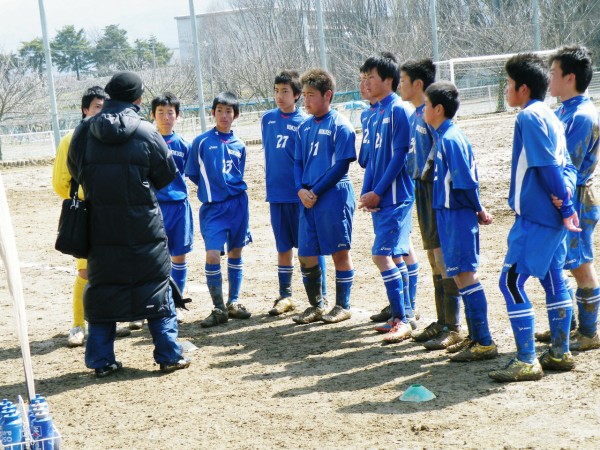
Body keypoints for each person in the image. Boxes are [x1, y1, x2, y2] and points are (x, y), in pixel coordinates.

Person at [67, 71, 190, 376]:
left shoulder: (84, 131)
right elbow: (165, 175)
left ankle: (101, 360)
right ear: (137, 98)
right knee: (156, 287)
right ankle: (169, 354)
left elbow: (75, 169)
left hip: (100, 225)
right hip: (143, 226)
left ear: (109, 95)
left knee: (103, 288)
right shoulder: (148, 132)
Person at [489, 54, 580, 382]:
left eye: (509, 84)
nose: (507, 89)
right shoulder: (552, 117)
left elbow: (546, 167)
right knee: (554, 279)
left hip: (536, 219)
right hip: (552, 219)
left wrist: (565, 206)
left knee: (510, 281)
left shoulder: (528, 117)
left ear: (523, 88)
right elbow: (568, 167)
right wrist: (565, 201)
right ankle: (560, 352)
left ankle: (526, 359)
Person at [423, 81, 498, 362]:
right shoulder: (443, 136)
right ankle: (475, 336)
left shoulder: (452, 139)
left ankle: (485, 342)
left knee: (465, 275)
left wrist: (478, 209)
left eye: (427, 106)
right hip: (447, 215)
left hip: (457, 215)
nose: (423, 111)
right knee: (457, 274)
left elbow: (466, 183)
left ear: (438, 109)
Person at [52, 86, 133, 347]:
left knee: (112, 269)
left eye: (104, 107)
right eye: (96, 107)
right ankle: (78, 324)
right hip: (87, 214)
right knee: (86, 272)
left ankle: (111, 319)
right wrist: (85, 198)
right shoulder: (70, 139)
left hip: (113, 212)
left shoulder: (112, 138)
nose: (101, 112)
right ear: (85, 109)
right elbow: (60, 183)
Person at [535, 45, 600, 351]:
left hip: (576, 198)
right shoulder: (564, 110)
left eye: (553, 73)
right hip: (563, 197)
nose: (549, 79)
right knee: (560, 261)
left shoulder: (583, 116)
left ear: (569, 77)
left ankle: (589, 333)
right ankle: (566, 325)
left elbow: (567, 164)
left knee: (581, 264)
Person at [399, 59, 464, 351]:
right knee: (433, 257)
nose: (399, 85)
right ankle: (441, 321)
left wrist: (427, 173)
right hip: (421, 189)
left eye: (403, 80)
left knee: (443, 257)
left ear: (418, 85)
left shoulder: (432, 115)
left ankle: (454, 327)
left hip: (434, 189)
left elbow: (441, 149)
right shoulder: (416, 115)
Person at [292, 68, 356, 324]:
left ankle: (343, 305)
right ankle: (317, 305)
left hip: (333, 194)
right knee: (306, 253)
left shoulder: (341, 125)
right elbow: (297, 162)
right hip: (307, 197)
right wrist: (300, 190)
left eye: (310, 95)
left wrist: (315, 191)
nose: (305, 101)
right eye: (304, 95)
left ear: (327, 95)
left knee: (339, 253)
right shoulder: (303, 127)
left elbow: (341, 165)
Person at [358, 53, 415, 343]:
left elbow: (400, 155)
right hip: (381, 198)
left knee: (382, 255)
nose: (365, 82)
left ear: (388, 80)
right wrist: (367, 193)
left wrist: (378, 191)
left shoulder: (398, 110)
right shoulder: (374, 113)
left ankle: (403, 317)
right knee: (395, 254)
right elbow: (368, 161)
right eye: (363, 77)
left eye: (371, 77)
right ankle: (400, 314)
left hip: (395, 197)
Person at [261, 70, 327, 316]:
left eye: (285, 91)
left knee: (310, 247)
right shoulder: (267, 119)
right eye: (277, 91)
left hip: (300, 197)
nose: (279, 95)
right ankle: (285, 295)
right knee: (283, 247)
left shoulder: (304, 123)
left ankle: (322, 296)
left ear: (297, 95)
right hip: (276, 196)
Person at [185, 92, 253, 328]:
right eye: (220, 110)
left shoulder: (240, 145)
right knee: (213, 254)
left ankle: (233, 302)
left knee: (236, 252)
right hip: (213, 208)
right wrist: (211, 189)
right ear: (212, 113)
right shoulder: (201, 142)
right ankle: (218, 307)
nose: (224, 115)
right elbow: (193, 173)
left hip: (238, 205)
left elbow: (239, 173)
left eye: (229, 111)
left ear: (235, 115)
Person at [150, 93, 193, 324]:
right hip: (155, 208)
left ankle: (176, 301)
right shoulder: (148, 142)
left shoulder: (185, 145)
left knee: (179, 254)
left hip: (179, 206)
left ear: (177, 115)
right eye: (160, 112)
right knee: (155, 257)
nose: (166, 117)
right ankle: (152, 303)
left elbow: (190, 173)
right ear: (152, 115)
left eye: (170, 112)